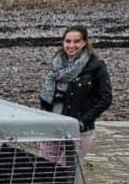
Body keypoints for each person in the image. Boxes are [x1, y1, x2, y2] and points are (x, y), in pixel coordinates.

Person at [40, 25, 112, 158]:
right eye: (68, 41)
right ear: (63, 42)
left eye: (76, 41)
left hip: (80, 130)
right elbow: (46, 97)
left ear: (84, 42)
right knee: (44, 170)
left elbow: (106, 99)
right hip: (52, 127)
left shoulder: (96, 66)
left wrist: (83, 121)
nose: (71, 45)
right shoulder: (57, 64)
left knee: (68, 174)